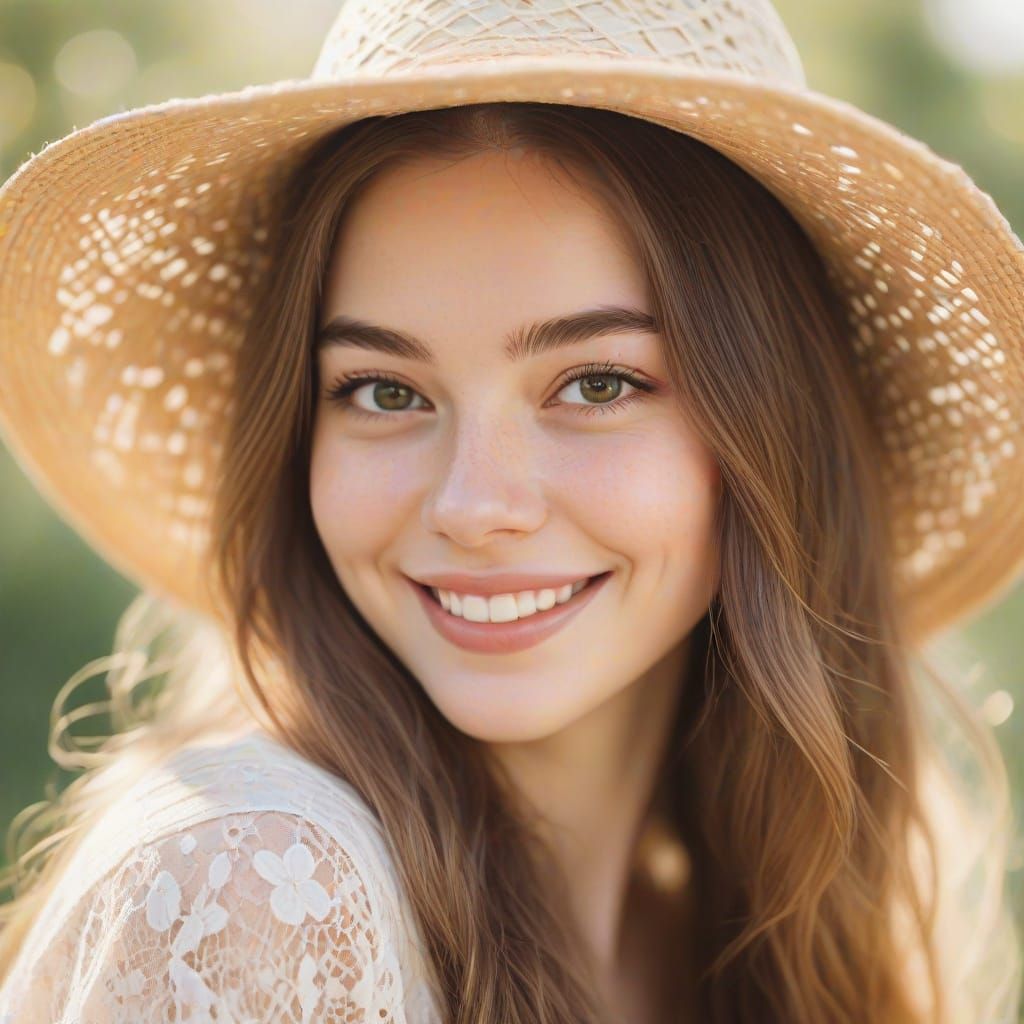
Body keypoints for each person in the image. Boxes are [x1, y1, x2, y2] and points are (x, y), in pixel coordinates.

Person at [0, 1, 1020, 1021]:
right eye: (384, 391)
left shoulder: (719, 929)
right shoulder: (263, 888)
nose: (474, 506)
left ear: (773, 425)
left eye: (596, 384)